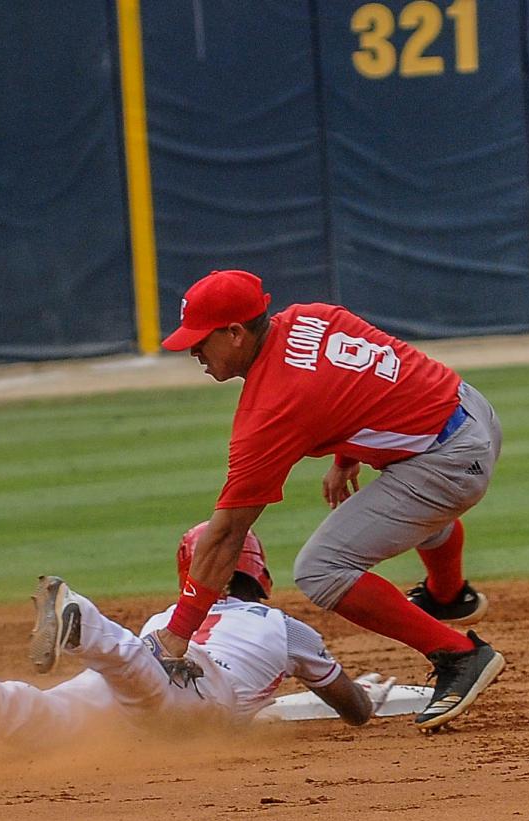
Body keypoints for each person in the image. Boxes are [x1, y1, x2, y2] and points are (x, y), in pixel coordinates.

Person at [153, 269, 506, 733]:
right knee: (408, 506)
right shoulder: (311, 316)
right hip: (471, 409)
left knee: (321, 570)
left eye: (200, 341)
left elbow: (226, 535)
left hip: (449, 463)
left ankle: (459, 655)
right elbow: (367, 381)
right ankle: (449, 595)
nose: (193, 352)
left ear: (236, 333)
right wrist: (346, 456)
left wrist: (176, 635)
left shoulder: (272, 408)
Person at [0, 523, 396, 766]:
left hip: (150, 665)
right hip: (199, 687)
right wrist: (359, 695)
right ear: (258, 572)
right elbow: (355, 711)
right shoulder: (283, 626)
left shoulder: (171, 615)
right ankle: (80, 618)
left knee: (59, 716)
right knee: (142, 680)